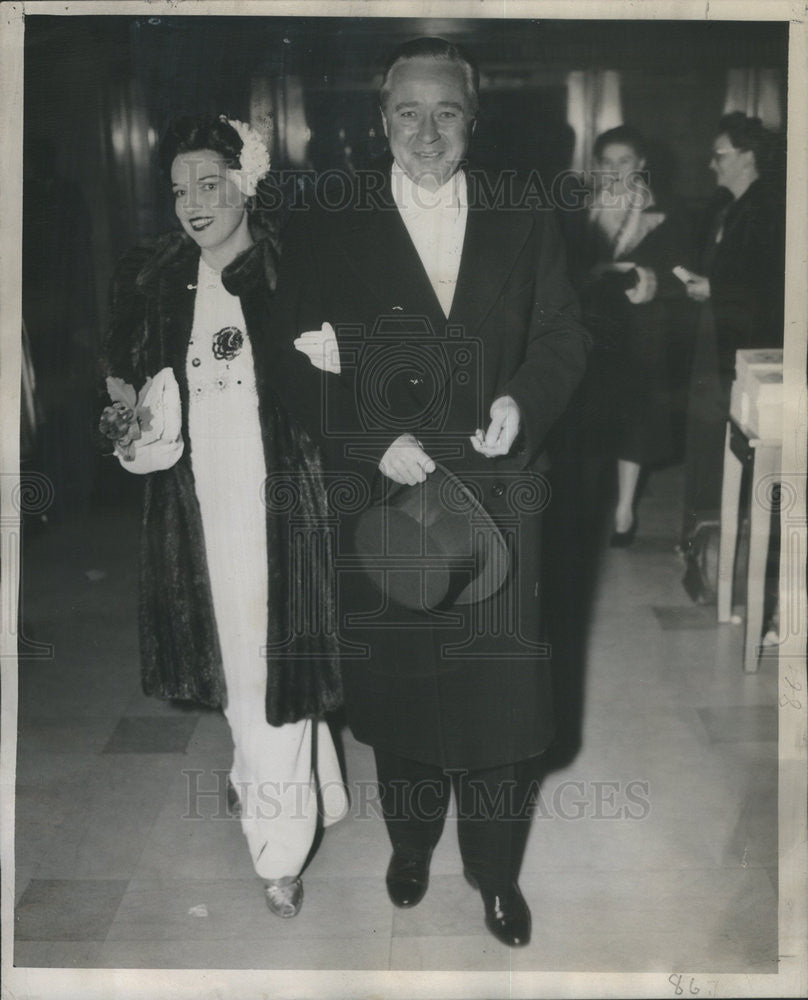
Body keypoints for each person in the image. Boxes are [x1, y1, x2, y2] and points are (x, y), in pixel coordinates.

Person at [273, 38, 590, 947]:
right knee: (403, 691)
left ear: (473, 120)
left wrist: (521, 403)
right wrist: (375, 439)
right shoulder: (330, 223)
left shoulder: (524, 212)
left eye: (445, 111)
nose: (425, 130)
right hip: (388, 494)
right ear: (381, 122)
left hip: (502, 487)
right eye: (406, 112)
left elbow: (565, 334)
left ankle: (493, 876)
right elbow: (295, 367)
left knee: (499, 702)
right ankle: (410, 845)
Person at [100, 114, 347, 918]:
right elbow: (137, 398)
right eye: (179, 191)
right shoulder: (159, 282)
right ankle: (303, 796)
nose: (194, 204)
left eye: (210, 184)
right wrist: (131, 422)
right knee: (242, 663)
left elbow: (336, 383)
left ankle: (279, 852)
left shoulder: (288, 270)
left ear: (246, 181)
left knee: (274, 659)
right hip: (201, 499)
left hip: (283, 497)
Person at [564, 125, 694, 545]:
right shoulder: (581, 209)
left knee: (634, 422)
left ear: (640, 165)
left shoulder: (666, 211)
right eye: (607, 162)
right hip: (592, 325)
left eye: (625, 162)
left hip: (642, 329)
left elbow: (682, 275)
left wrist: (653, 279)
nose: (616, 170)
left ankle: (623, 512)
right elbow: (566, 265)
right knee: (591, 419)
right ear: (597, 166)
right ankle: (586, 508)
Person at [675, 112, 784, 601]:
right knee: (708, 440)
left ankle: (730, 558)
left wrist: (713, 288)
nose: (712, 163)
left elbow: (773, 289)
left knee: (738, 449)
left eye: (720, 154)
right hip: (717, 337)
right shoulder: (728, 205)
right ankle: (706, 545)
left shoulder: (769, 209)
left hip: (750, 351)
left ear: (747, 156)